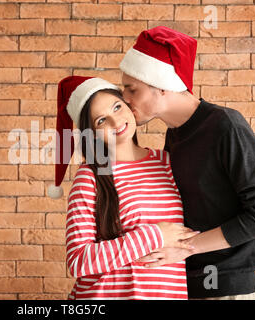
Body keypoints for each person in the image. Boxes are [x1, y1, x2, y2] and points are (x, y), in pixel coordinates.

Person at [119, 26, 255, 300]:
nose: (125, 98)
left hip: (226, 285)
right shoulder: (176, 134)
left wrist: (186, 248)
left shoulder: (225, 126)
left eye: (132, 89)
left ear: (161, 86)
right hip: (184, 282)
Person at [48, 75, 199, 299]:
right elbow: (78, 261)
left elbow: (192, 230)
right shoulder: (90, 177)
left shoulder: (167, 162)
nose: (115, 122)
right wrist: (154, 235)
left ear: (128, 104)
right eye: (101, 120)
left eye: (117, 107)